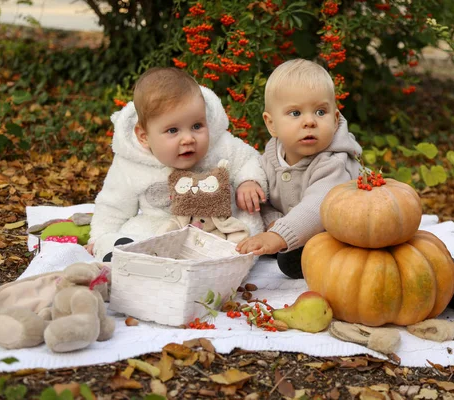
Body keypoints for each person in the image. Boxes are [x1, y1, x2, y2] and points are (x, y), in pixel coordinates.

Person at [88, 67, 267, 261]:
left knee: (248, 224)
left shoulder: (219, 145)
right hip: (160, 226)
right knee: (133, 238)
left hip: (219, 223)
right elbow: (113, 206)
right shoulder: (131, 163)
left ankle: (225, 263)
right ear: (144, 137)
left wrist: (248, 181)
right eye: (173, 130)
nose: (188, 138)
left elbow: (247, 158)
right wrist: (99, 237)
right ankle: (125, 255)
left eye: (197, 126)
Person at [235, 59, 362, 279]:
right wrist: (272, 218)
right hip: (292, 233)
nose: (310, 122)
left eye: (320, 112)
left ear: (335, 119)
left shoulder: (333, 162)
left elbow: (317, 207)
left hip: (339, 234)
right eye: (295, 113)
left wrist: (278, 234)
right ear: (271, 124)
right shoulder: (270, 159)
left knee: (319, 258)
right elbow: (262, 201)